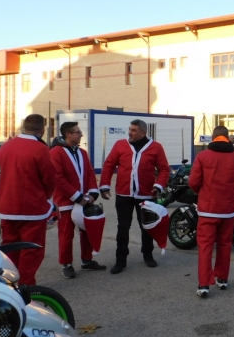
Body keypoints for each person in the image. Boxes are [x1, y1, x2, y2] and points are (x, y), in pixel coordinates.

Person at [100, 119, 171, 274]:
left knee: (147, 227)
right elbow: (109, 165)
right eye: (129, 129)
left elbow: (165, 169)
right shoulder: (120, 144)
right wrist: (104, 185)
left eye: (133, 130)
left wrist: (158, 186)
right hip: (123, 194)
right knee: (123, 228)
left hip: (146, 195)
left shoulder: (156, 147)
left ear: (143, 133)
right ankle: (120, 260)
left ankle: (148, 255)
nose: (129, 132)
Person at [0, 114, 56, 285]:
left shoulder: (6, 147)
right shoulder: (40, 149)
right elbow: (49, 178)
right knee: (31, 250)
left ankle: (7, 282)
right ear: (43, 130)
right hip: (32, 209)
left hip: (7, 206)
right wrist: (45, 198)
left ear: (24, 126)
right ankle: (26, 287)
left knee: (9, 248)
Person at [189, 125, 234, 298]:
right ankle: (222, 279)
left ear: (212, 138)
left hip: (207, 210)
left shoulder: (202, 156)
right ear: (228, 138)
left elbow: (193, 182)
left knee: (205, 246)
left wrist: (201, 192)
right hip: (228, 210)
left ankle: (204, 284)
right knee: (224, 245)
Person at [50, 122, 105, 278]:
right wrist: (77, 197)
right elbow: (58, 178)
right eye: (78, 132)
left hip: (84, 200)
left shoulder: (82, 152)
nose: (81, 135)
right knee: (66, 233)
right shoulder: (56, 153)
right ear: (68, 134)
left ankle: (87, 261)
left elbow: (89, 173)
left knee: (87, 231)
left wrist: (93, 193)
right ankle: (66, 264)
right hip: (66, 202)